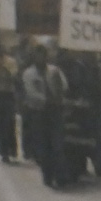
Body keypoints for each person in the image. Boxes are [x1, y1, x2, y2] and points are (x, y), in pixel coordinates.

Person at [21, 44, 69, 188]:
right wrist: (46, 100)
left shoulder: (55, 71)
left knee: (58, 145)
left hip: (55, 112)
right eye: (38, 55)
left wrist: (58, 96)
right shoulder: (29, 74)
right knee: (44, 146)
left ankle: (60, 176)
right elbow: (31, 93)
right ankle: (47, 176)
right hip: (39, 113)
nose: (41, 58)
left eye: (43, 54)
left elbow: (65, 86)